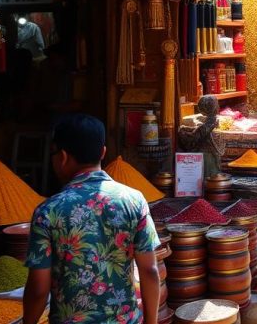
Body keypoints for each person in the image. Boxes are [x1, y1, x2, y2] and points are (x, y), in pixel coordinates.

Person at [23, 114, 160, 324]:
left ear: (63, 156)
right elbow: (149, 270)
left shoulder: (47, 212)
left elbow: (39, 289)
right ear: (103, 153)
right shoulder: (134, 201)